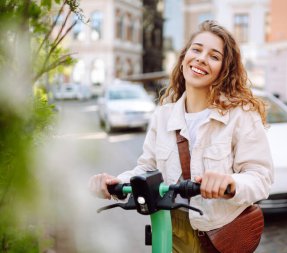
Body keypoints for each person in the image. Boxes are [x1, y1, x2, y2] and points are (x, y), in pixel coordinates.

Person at [89, 20, 273, 252]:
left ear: (225, 70)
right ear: (184, 57)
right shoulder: (163, 115)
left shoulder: (240, 115)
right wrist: (114, 183)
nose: (201, 58)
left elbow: (260, 178)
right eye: (196, 49)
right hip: (169, 231)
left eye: (214, 56)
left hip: (220, 234)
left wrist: (231, 183)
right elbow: (147, 169)